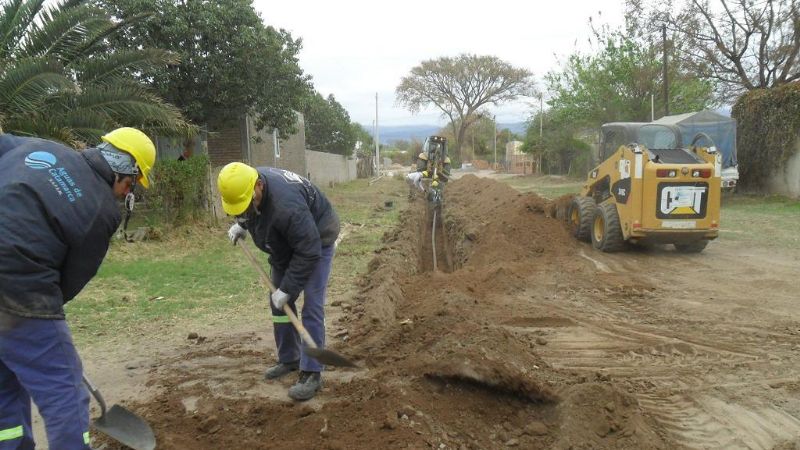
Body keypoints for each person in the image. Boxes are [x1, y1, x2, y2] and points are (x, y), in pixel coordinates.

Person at [0, 127, 155, 450]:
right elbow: (72, 278)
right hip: (20, 288)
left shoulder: (38, 145)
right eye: (131, 185)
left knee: (5, 378)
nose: (126, 191)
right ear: (124, 175)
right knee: (64, 391)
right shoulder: (103, 210)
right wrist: (44, 319)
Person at [217, 162, 340, 401]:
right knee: (278, 303)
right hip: (284, 242)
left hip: (317, 239)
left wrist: (289, 288)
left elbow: (308, 249)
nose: (244, 210)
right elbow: (253, 211)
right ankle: (289, 358)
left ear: (259, 186)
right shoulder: (248, 184)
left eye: (245, 207)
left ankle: (312, 372)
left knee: (312, 305)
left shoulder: (287, 206)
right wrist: (241, 224)